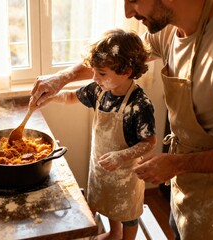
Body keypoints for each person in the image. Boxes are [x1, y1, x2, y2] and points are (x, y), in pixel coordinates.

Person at [30, 1, 213, 240]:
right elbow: (113, 58)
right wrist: (61, 78)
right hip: (185, 186)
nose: (127, 12)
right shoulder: (167, 30)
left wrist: (177, 164)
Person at [49, 29, 157, 240]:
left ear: (126, 71)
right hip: (100, 166)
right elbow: (71, 97)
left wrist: (121, 156)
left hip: (127, 174)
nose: (95, 77)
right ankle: (114, 234)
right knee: (108, 203)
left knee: (127, 212)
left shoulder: (139, 104)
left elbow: (149, 142)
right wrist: (50, 95)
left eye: (102, 73)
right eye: (94, 72)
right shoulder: (100, 90)